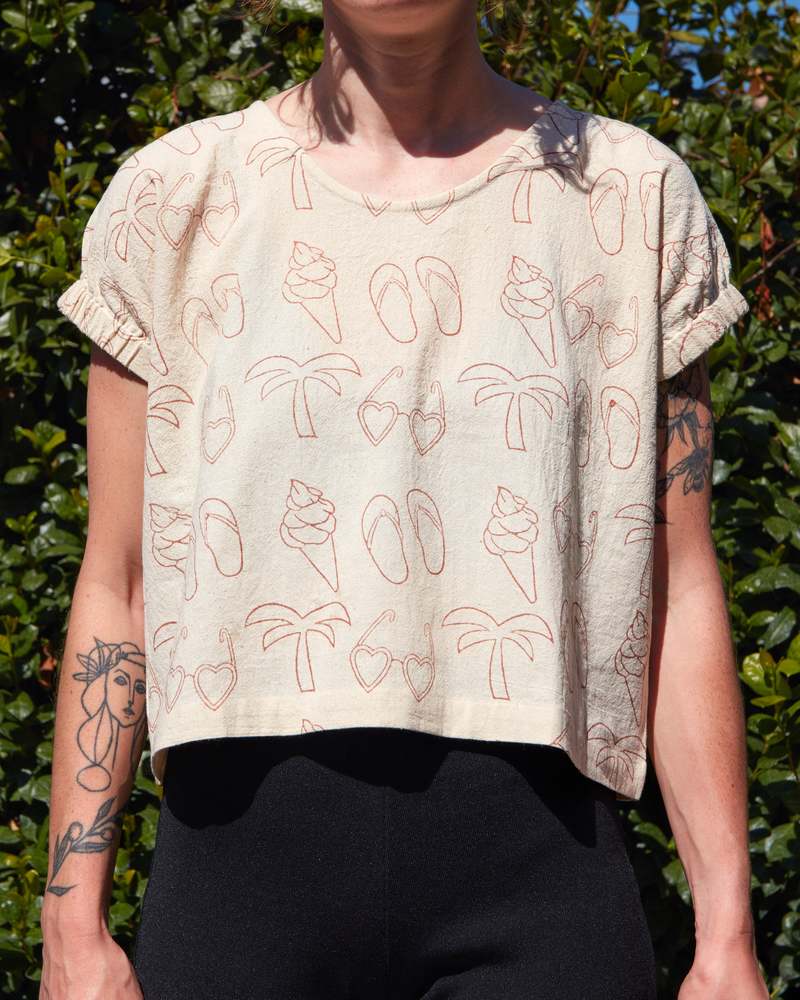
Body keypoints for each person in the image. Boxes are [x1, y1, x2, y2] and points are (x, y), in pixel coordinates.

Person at [39, 1, 769, 998]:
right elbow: (117, 581)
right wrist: (70, 923)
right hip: (237, 889)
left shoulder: (630, 202)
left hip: (542, 884)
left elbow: (677, 585)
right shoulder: (178, 199)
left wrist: (726, 935)